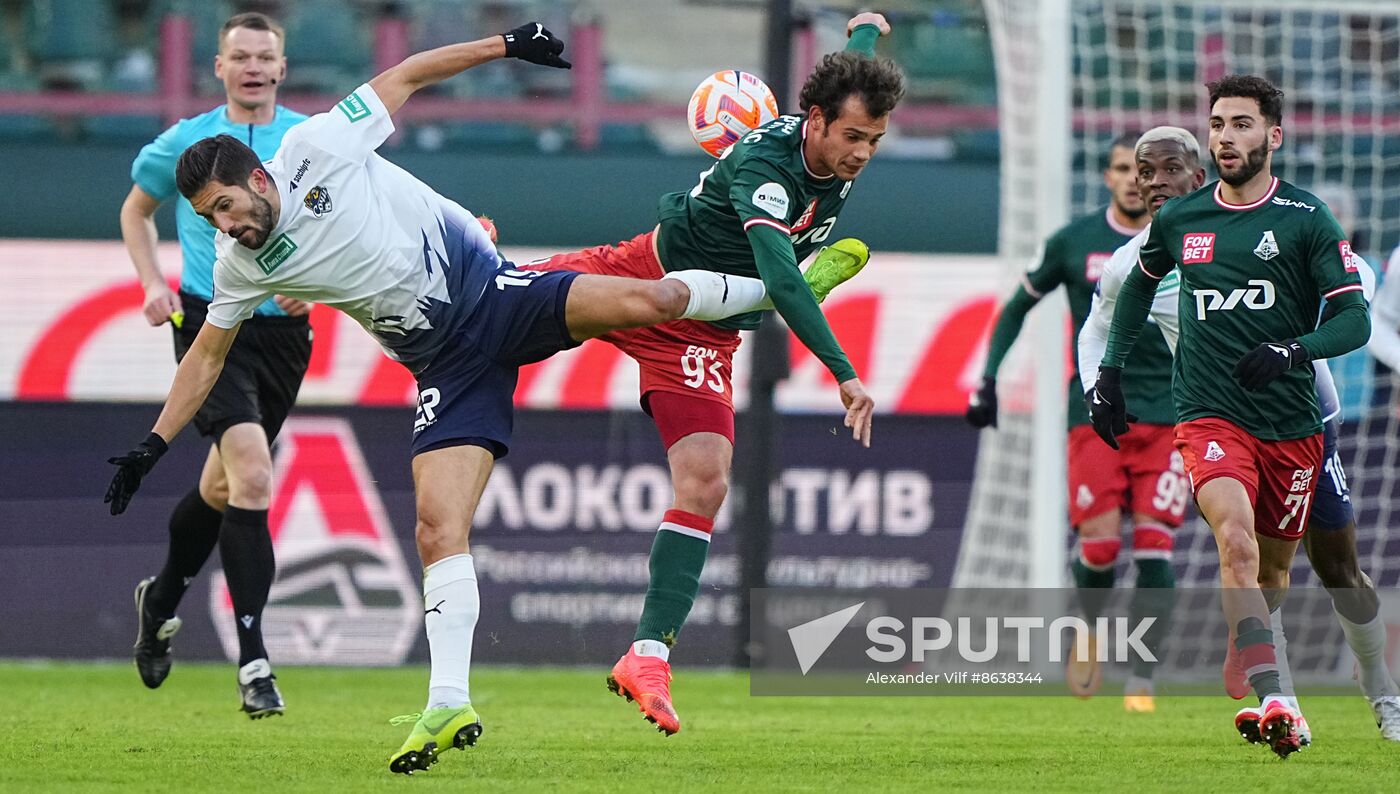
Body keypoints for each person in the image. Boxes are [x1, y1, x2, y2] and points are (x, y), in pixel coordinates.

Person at [101, 23, 845, 775]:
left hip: (492, 296)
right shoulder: (240, 265)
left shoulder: (318, 147)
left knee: (649, 299)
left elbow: (409, 74)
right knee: (435, 527)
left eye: (226, 206)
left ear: (259, 179)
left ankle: (784, 289)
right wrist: (153, 445)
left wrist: (505, 45)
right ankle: (449, 699)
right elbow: (205, 355)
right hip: (445, 365)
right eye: (207, 220)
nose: (224, 226)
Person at [520, 12, 899, 735]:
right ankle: (460, 258)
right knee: (493, 302)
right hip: (643, 278)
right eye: (853, 137)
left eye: (875, 142)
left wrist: (864, 30)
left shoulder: (837, 124)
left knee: (706, 478)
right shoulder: (766, 171)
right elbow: (783, 284)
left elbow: (851, 69)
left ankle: (646, 656)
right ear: (814, 122)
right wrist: (844, 372)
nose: (863, 154)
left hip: (704, 333)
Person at [1082, 130, 1400, 744]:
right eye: (1142, 173)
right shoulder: (1135, 262)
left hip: (1308, 425)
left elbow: (1353, 283)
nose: (1152, 183)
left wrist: (1303, 328)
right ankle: (1278, 697)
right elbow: (1099, 328)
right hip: (1216, 421)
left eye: (1168, 170)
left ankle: (1382, 691)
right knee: (1237, 545)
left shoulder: (1272, 232)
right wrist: (1098, 384)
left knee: (1338, 575)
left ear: (1199, 176)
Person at [118, 11, 308, 719]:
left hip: (286, 338)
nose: (254, 66)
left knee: (226, 485)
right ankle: (255, 664)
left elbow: (336, 219)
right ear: (220, 68)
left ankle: (161, 597)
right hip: (208, 324)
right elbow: (135, 211)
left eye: (266, 56)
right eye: (241, 56)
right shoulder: (185, 142)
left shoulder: (306, 139)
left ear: (282, 68)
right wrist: (151, 283)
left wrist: (309, 285)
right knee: (254, 473)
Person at [965, 130, 1184, 709]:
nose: (1135, 179)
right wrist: (987, 378)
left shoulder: (1191, 240)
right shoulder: (1076, 242)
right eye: (1122, 167)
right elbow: (1017, 306)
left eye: (1144, 169)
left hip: (1170, 413)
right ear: (1112, 177)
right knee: (1101, 547)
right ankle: (1089, 629)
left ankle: (1143, 677)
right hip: (1094, 412)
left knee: (1157, 547)